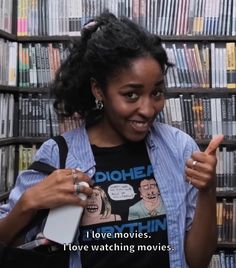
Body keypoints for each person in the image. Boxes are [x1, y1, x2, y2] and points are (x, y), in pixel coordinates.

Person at [0, 12, 223, 268]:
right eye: (131, 95)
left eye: (157, 92)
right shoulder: (58, 154)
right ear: (98, 90)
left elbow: (198, 261)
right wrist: (28, 204)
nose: (148, 109)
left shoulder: (179, 147)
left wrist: (207, 190)